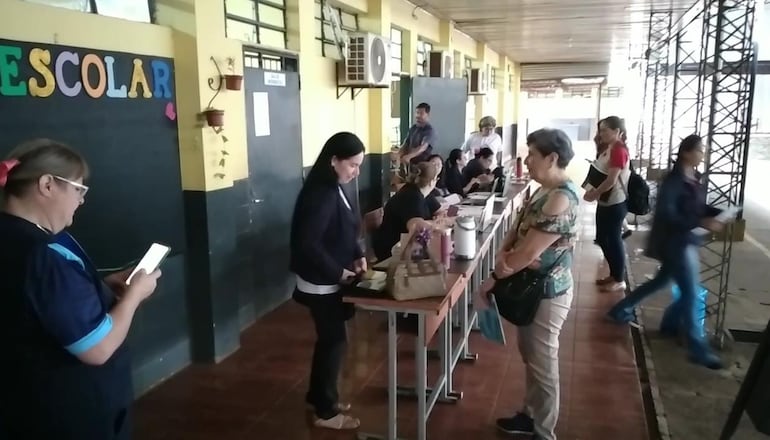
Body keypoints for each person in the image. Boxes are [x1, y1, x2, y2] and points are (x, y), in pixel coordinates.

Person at [0, 139, 161, 439]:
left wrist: (99, 288)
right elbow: (97, 349)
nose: (82, 200)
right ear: (47, 184)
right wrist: (134, 296)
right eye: (78, 189)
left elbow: (36, 304)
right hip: (67, 410)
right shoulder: (42, 254)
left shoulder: (23, 236)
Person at [479, 128, 579, 440]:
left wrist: (493, 278)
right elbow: (519, 228)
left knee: (543, 364)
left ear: (552, 158)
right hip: (531, 284)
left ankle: (544, 432)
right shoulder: (542, 190)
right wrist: (503, 252)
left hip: (547, 292)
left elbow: (528, 252)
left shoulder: (561, 198)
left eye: (533, 154)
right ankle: (530, 415)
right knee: (531, 357)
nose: (527, 160)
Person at [607, 134, 726, 370]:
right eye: (700, 150)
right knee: (691, 294)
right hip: (676, 243)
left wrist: (717, 212)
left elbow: (697, 206)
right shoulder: (673, 182)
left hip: (685, 241)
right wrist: (701, 221)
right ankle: (697, 348)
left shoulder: (694, 179)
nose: (702, 155)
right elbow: (667, 214)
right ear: (686, 152)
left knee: (661, 282)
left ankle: (621, 310)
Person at [289, 132, 366, 430]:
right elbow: (309, 244)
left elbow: (346, 229)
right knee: (334, 341)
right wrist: (339, 272)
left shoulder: (334, 186)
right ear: (333, 160)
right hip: (321, 282)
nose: (356, 171)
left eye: (360, 165)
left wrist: (358, 254)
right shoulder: (320, 192)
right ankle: (326, 411)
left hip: (331, 275)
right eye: (352, 165)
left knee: (329, 340)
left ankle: (318, 395)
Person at [584, 116, 631, 292]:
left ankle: (619, 278)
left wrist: (594, 193)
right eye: (600, 130)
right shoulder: (610, 148)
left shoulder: (619, 150)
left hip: (615, 203)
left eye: (605, 130)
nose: (601, 133)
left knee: (613, 240)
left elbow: (611, 180)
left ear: (617, 131)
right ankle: (614, 274)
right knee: (603, 239)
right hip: (605, 202)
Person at [372, 161, 438, 262]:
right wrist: (436, 226)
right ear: (432, 182)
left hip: (401, 245)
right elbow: (416, 227)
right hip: (392, 249)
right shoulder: (412, 196)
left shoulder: (417, 192)